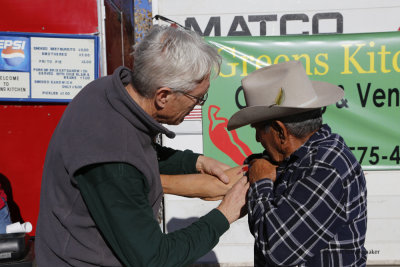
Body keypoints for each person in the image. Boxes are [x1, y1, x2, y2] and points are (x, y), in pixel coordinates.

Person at [35, 25, 249, 267]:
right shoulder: (113, 163)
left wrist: (194, 161)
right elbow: (154, 258)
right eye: (197, 98)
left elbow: (137, 149)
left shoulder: (103, 93)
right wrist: (224, 216)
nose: (198, 105)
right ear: (163, 96)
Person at [227, 60, 367, 266]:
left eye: (258, 129)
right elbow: (226, 182)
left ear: (280, 131)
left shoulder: (325, 168)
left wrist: (261, 184)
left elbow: (278, 250)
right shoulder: (299, 158)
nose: (257, 139)